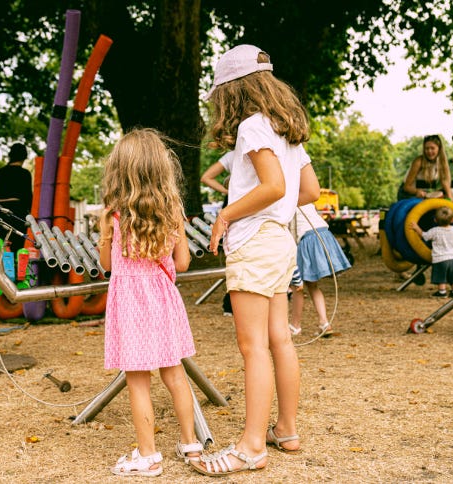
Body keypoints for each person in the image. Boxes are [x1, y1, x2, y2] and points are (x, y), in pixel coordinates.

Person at [197, 44, 320, 476]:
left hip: (255, 242)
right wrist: (276, 208)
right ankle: (285, 429)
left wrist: (226, 215)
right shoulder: (286, 130)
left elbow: (272, 186)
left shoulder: (251, 126)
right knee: (279, 339)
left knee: (253, 348)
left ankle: (251, 447)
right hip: (280, 241)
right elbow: (308, 192)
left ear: (232, 89)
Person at [97, 128, 201, 477]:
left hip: (130, 302)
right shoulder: (173, 211)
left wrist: (104, 232)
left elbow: (108, 266)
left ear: (120, 170)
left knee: (138, 380)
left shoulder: (114, 214)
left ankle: (148, 455)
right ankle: (190, 444)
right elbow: (183, 263)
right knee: (175, 373)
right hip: (163, 297)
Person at [288, 203, 352, 337]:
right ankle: (324, 323)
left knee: (297, 285)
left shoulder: (287, 202)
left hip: (308, 238)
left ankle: (295, 325)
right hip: (323, 233)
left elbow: (290, 231)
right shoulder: (306, 198)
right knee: (312, 285)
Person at [201, 152, 233, 316]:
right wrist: (228, 191)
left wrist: (227, 192)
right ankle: (231, 302)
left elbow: (207, 177)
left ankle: (231, 302)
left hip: (234, 205)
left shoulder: (232, 155)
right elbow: (205, 177)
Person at [410, 206, 453, 298]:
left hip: (439, 259)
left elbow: (425, 236)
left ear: (435, 220)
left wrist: (416, 228)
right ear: (452, 220)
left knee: (441, 276)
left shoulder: (434, 231)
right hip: (452, 258)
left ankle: (442, 292)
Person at [0, 143, 32, 253]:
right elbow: (28, 197)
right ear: (24, 157)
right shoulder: (24, 174)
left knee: (0, 246)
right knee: (17, 247)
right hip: (17, 214)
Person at [398, 134, 453, 201]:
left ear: (439, 149)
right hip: (407, 195)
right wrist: (417, 191)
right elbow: (406, 187)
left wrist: (450, 198)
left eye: (432, 148)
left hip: (424, 194)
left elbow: (445, 182)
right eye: (426, 148)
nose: (429, 151)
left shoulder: (441, 163)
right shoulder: (418, 162)